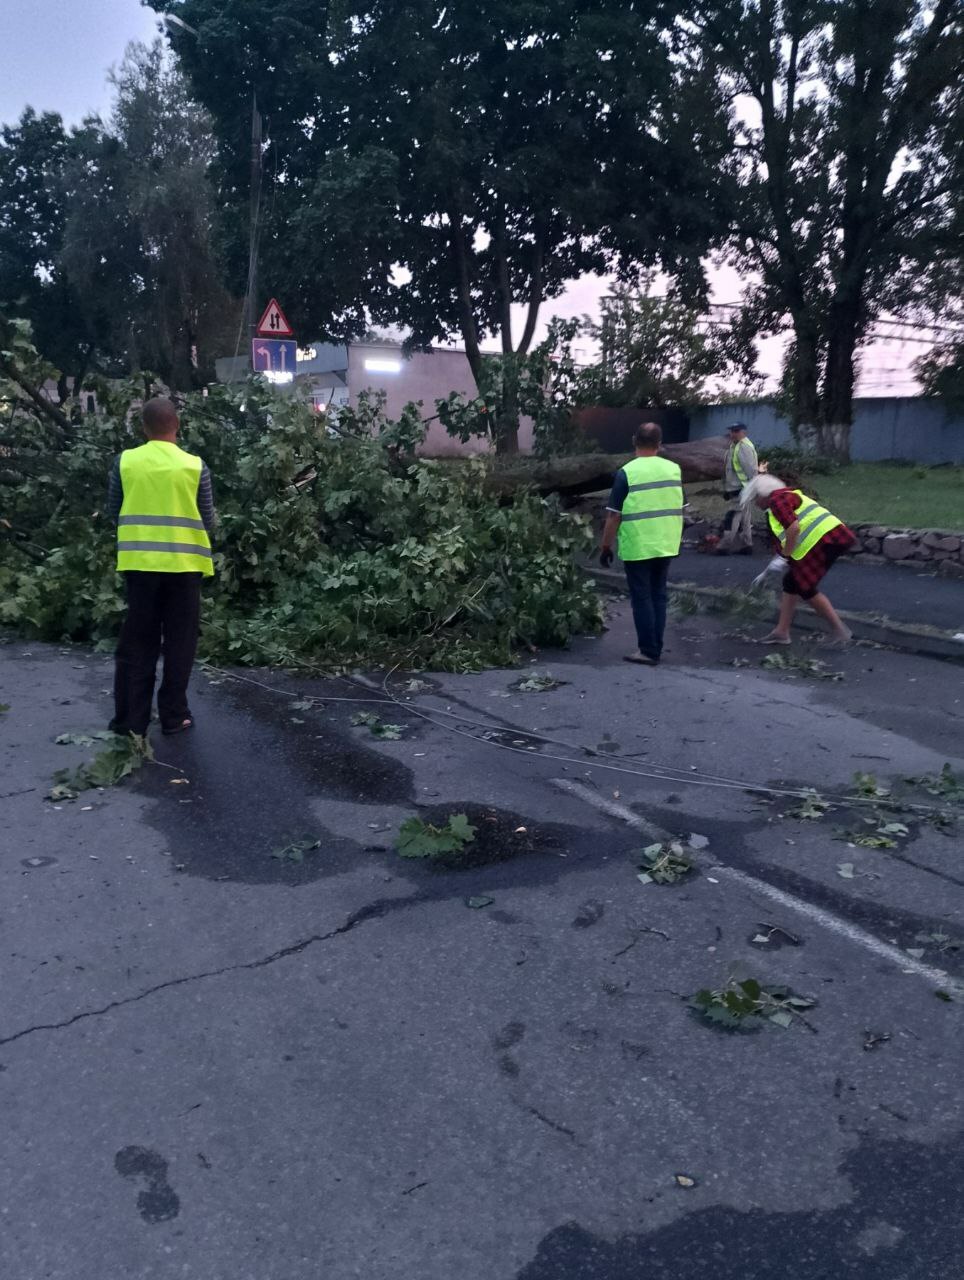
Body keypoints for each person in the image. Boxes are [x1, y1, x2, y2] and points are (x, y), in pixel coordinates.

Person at [106, 397, 215, 736]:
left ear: (144, 428)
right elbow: (208, 519)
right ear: (177, 426)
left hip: (139, 567)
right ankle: (174, 715)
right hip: (184, 567)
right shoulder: (195, 466)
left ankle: (130, 721)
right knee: (180, 643)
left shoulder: (125, 462)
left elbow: (114, 511)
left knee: (137, 643)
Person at [599, 422, 684, 666]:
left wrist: (605, 547)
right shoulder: (674, 470)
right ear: (660, 444)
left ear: (634, 440)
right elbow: (681, 506)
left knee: (642, 597)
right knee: (659, 595)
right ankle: (655, 646)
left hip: (639, 544)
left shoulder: (627, 472)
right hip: (666, 543)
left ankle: (648, 651)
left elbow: (614, 515)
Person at [742, 473, 856, 645]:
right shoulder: (785, 497)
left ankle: (840, 631)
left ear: (762, 494)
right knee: (791, 582)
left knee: (805, 587)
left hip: (827, 540)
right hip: (830, 538)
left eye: (755, 499)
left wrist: (784, 557)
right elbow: (789, 535)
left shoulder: (776, 501)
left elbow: (793, 529)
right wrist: (777, 563)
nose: (756, 504)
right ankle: (782, 632)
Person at [716, 422, 758, 554]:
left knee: (732, 516)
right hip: (737, 488)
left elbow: (751, 470)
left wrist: (752, 488)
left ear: (743, 432)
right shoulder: (735, 446)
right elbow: (731, 471)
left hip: (741, 489)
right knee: (745, 517)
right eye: (732, 431)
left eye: (736, 431)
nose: (732, 433)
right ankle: (747, 545)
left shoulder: (743, 447)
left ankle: (724, 546)